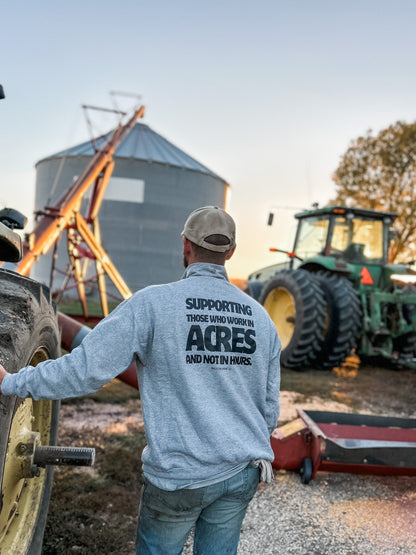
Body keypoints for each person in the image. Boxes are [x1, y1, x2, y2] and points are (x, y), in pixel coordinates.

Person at [0, 206, 281, 554]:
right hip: (241, 472)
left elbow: (83, 371)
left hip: (178, 477)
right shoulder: (261, 318)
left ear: (185, 246)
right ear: (231, 252)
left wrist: (11, 381)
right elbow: (269, 406)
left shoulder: (153, 305)